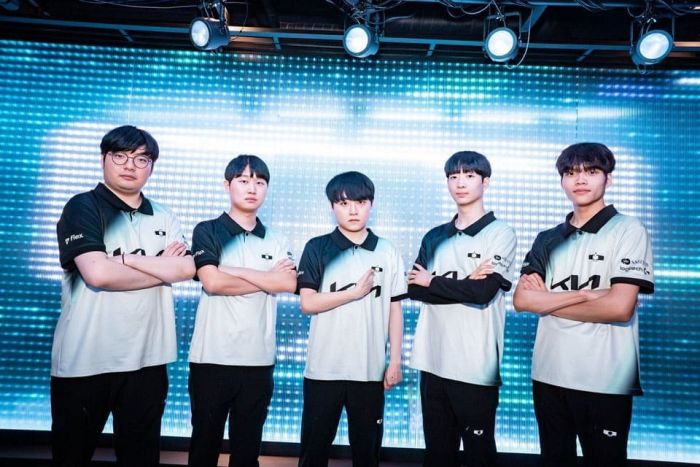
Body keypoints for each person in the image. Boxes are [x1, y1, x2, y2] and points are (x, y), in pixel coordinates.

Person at [52, 125, 195, 467]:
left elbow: (186, 269)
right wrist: (160, 266)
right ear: (104, 158)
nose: (130, 165)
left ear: (152, 166)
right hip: (86, 359)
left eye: (141, 159)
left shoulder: (164, 215)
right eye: (120, 156)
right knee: (72, 456)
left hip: (148, 360)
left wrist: (126, 260)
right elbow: (98, 275)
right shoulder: (83, 207)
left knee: (141, 458)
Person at [512, 142, 655, 467]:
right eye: (571, 172)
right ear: (562, 180)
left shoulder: (628, 229)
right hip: (549, 375)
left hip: (606, 378)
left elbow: (619, 308)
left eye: (591, 171)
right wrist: (587, 295)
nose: (580, 179)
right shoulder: (547, 238)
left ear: (608, 178)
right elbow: (522, 300)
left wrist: (546, 301)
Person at [407, 151, 517, 467]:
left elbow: (483, 293)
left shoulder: (500, 233)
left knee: (479, 454)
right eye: (453, 177)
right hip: (432, 360)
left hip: (475, 365)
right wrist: (463, 284)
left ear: (486, 182)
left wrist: (433, 282)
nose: (460, 183)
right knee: (437, 454)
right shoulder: (435, 236)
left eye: (469, 175)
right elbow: (414, 290)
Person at [187, 155, 296, 467]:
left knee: (247, 453)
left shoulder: (276, 239)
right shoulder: (208, 230)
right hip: (211, 358)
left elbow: (288, 283)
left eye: (260, 182)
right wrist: (266, 279)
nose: (252, 188)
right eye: (244, 181)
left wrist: (229, 270)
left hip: (258, 360)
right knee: (204, 448)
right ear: (227, 185)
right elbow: (212, 282)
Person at [296, 171, 405, 467]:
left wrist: (395, 361)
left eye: (361, 202)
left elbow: (395, 309)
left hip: (369, 371)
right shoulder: (317, 247)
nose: (353, 210)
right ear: (332, 206)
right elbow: (308, 303)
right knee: (313, 453)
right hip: (323, 370)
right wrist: (354, 293)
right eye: (344, 203)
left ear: (371, 204)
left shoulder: (387, 250)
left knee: (367, 454)